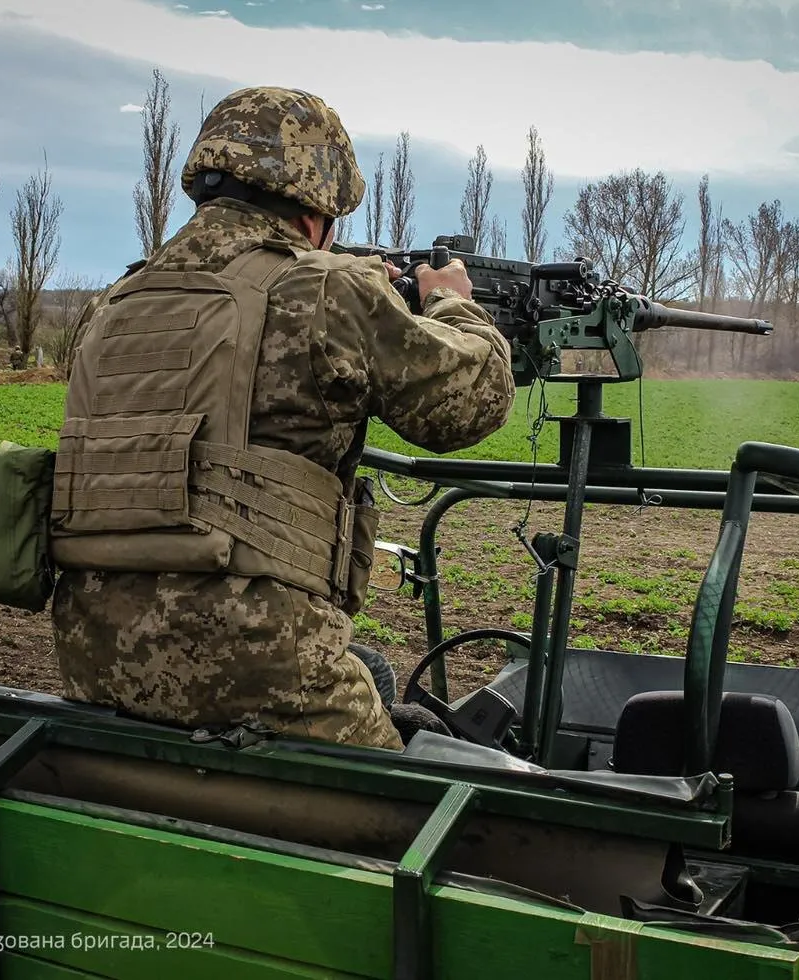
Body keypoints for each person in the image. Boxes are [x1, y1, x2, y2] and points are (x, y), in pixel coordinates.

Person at [48, 86, 515, 750]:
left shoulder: (116, 301)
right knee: (438, 783)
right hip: (267, 673)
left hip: (96, 665)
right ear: (316, 208)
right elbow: (470, 405)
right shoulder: (328, 289)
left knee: (375, 673)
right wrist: (451, 303)